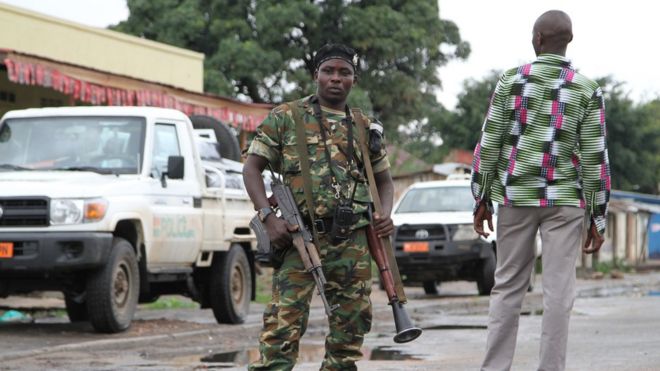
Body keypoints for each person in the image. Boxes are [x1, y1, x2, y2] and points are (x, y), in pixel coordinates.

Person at [471, 10, 610, 371]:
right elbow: (595, 158)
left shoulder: (511, 82)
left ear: (537, 40)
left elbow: (490, 144)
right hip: (565, 203)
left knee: (507, 287)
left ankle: (495, 367)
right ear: (569, 42)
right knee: (559, 292)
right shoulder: (587, 89)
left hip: (516, 196)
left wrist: (482, 197)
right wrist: (598, 216)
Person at [242, 43, 395, 370]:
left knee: (350, 327)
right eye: (329, 71)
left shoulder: (363, 125)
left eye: (345, 72)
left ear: (354, 79)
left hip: (351, 240)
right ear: (316, 75)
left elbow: (384, 180)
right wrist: (267, 217)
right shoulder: (286, 117)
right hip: (300, 236)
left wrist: (384, 214)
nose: (336, 79)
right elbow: (251, 168)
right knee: (283, 325)